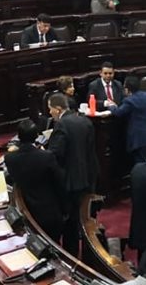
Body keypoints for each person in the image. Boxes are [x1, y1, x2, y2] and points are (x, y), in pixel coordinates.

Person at [46, 93, 97, 255]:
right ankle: (83, 257)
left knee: (69, 226)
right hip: (86, 179)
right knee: (83, 222)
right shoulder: (85, 121)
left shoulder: (61, 125)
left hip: (69, 182)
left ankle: (70, 258)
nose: (50, 113)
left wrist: (43, 152)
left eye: (50, 109)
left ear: (58, 108)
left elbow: (56, 154)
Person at [3, 119, 64, 239]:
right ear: (36, 136)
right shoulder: (47, 157)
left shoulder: (10, 158)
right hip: (49, 211)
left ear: (18, 137)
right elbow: (59, 182)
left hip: (25, 209)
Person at [113, 77, 146, 163]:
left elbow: (118, 113)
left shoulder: (129, 101)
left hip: (139, 141)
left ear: (127, 89)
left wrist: (111, 106)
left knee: (143, 166)